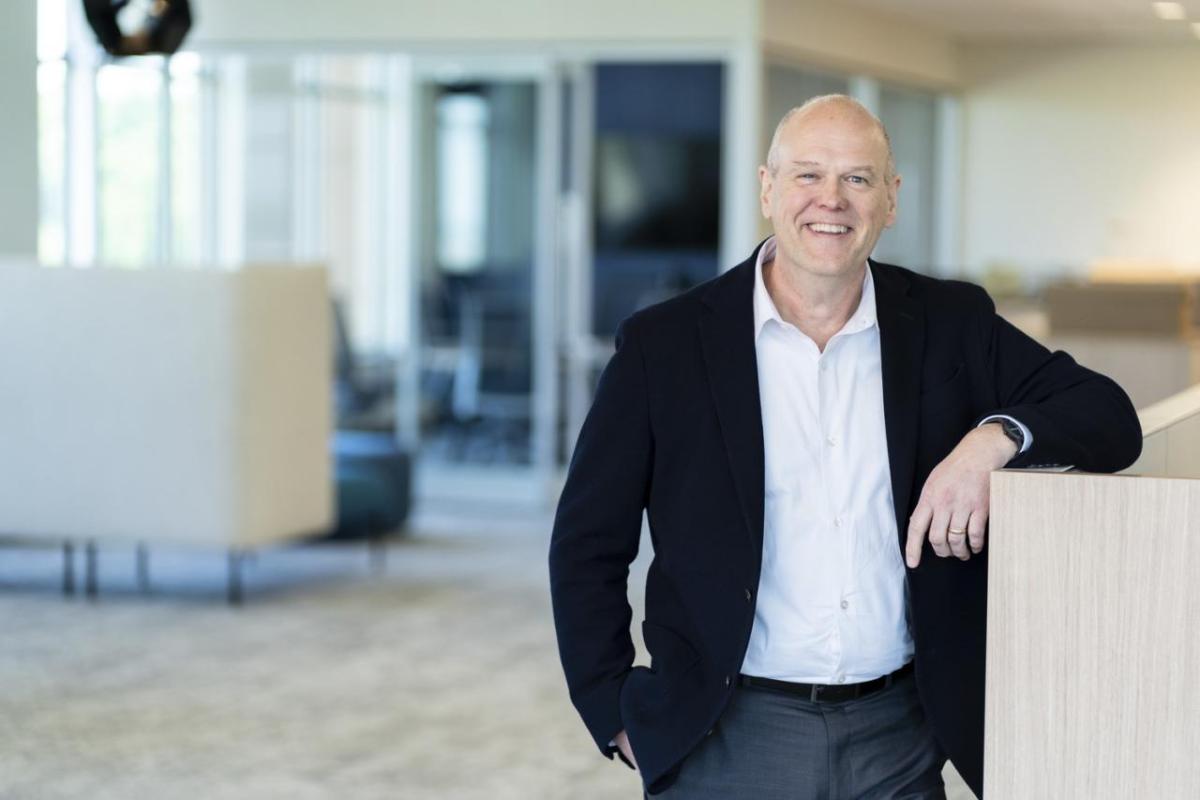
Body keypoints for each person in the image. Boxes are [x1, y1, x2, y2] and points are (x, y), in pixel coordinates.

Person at [548, 95, 1142, 799]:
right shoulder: (664, 346)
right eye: (807, 175)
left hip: (900, 739)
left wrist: (993, 441)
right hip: (725, 737)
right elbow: (587, 541)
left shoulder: (951, 324)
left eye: (858, 179)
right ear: (767, 187)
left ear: (890, 200)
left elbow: (1110, 416)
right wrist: (613, 710)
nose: (831, 200)